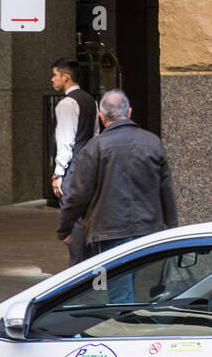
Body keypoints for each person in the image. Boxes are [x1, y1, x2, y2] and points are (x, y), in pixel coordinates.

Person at [57, 90, 178, 300]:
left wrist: (65, 228)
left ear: (102, 118)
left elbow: (78, 194)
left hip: (110, 230)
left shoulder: (95, 147)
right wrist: (172, 227)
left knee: (120, 292)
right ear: (129, 112)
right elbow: (166, 189)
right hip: (150, 227)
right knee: (149, 293)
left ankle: (123, 326)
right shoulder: (152, 142)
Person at [50, 58, 97, 267]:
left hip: (72, 169)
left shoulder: (67, 104)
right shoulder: (91, 100)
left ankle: (78, 267)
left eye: (55, 75)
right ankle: (92, 263)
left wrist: (58, 174)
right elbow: (96, 134)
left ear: (66, 77)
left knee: (75, 217)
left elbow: (65, 141)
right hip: (89, 164)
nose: (52, 79)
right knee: (89, 215)